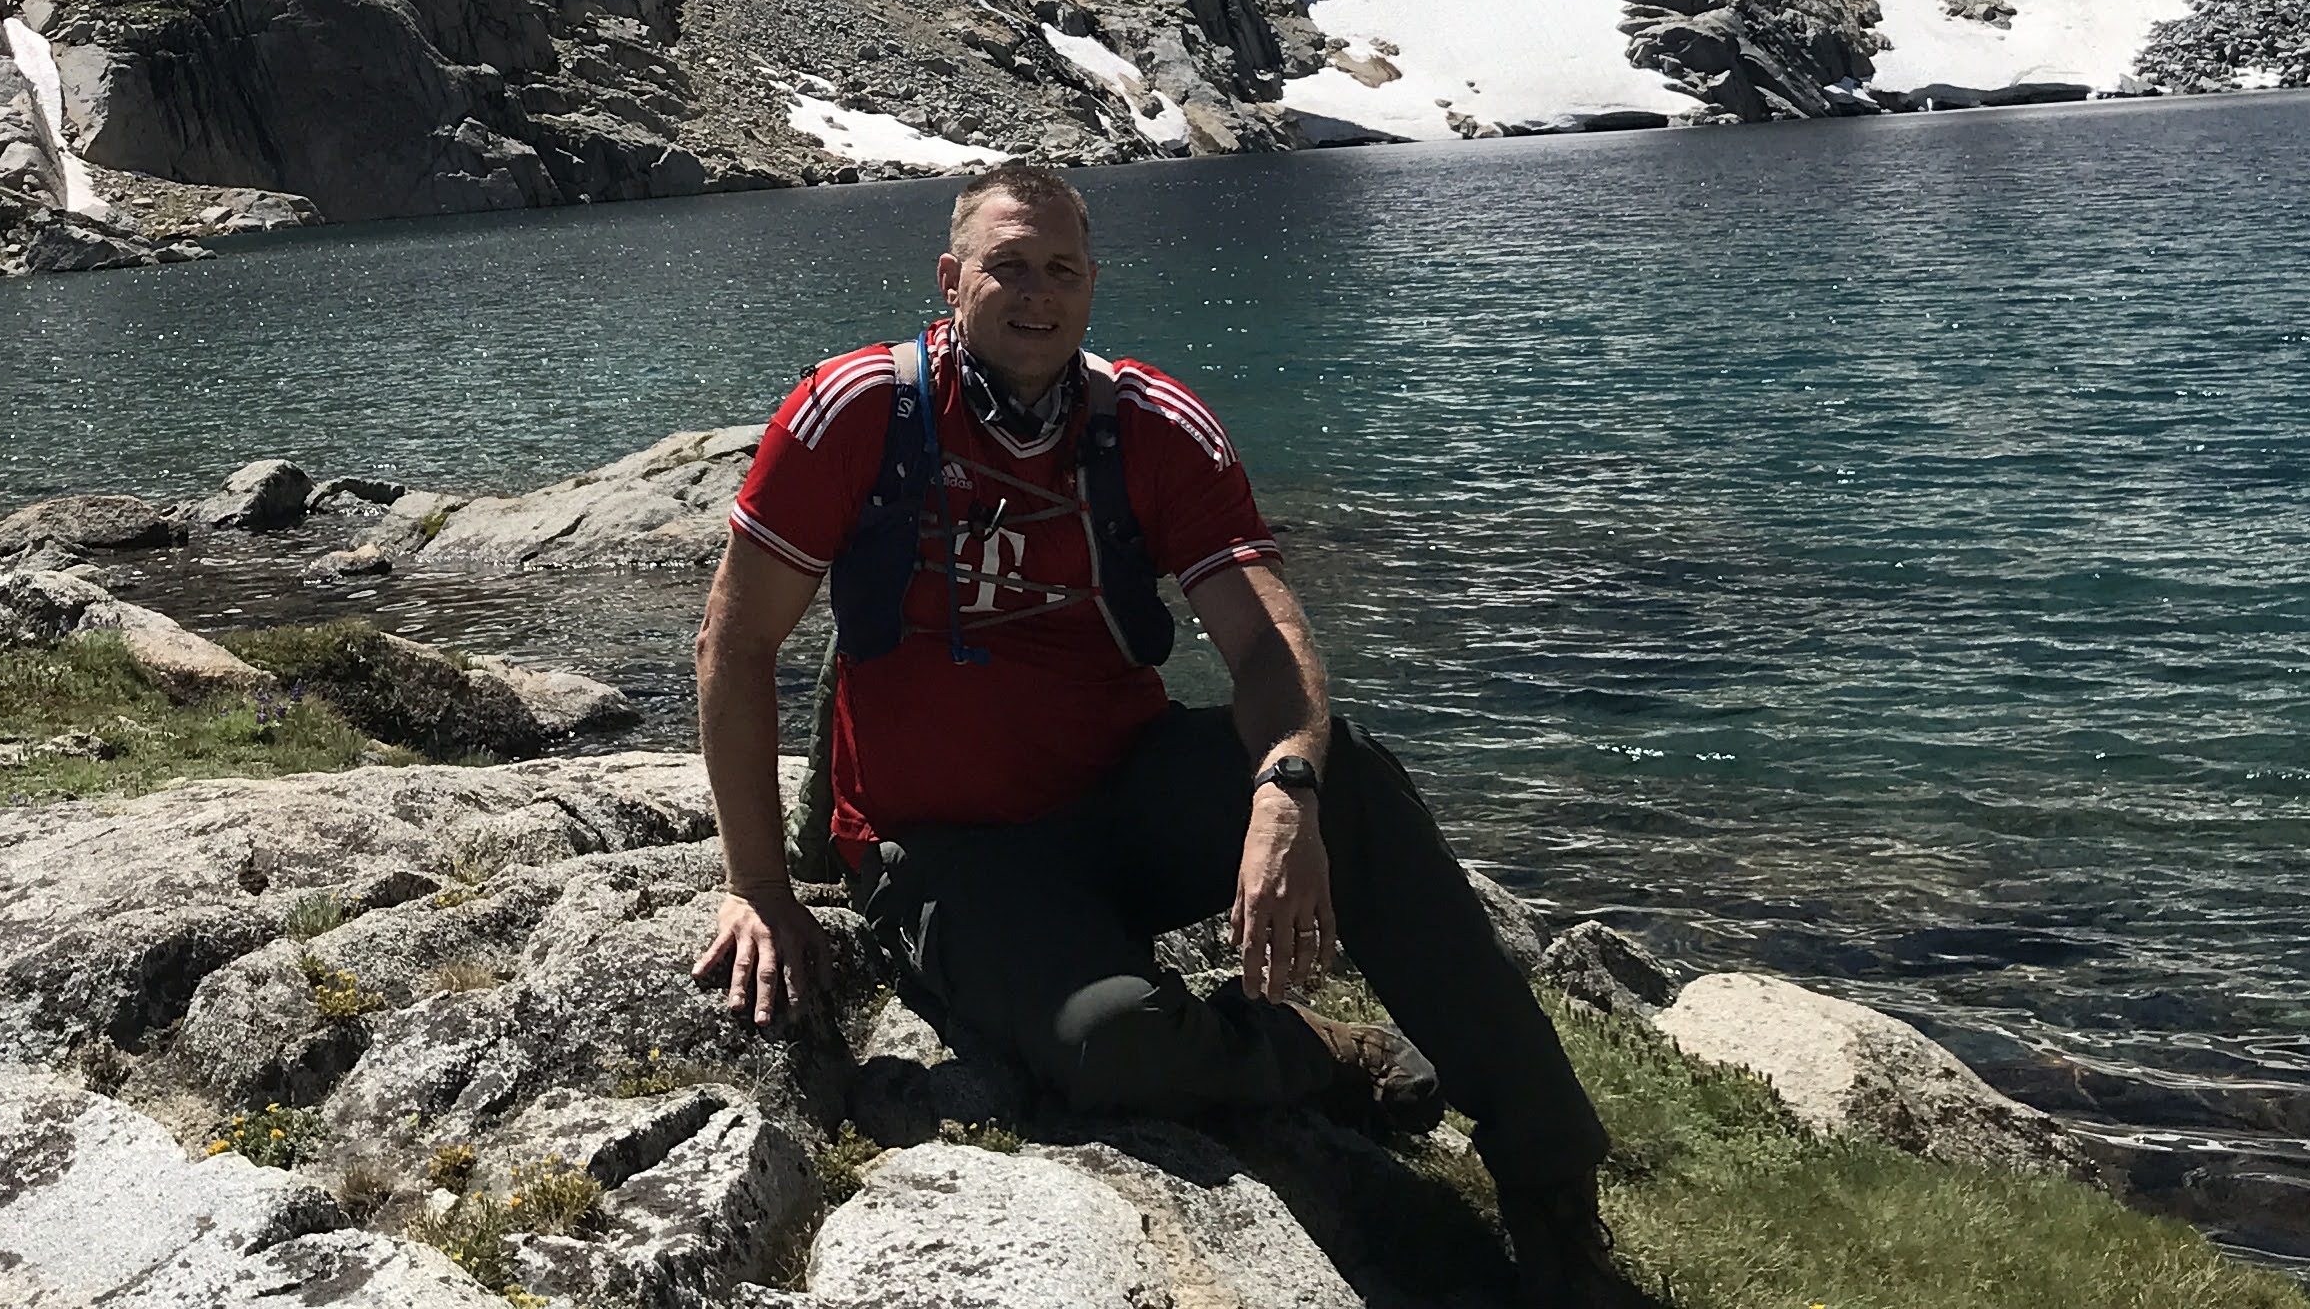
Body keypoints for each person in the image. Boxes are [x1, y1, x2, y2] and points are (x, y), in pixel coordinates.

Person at [689, 160, 1647, 1309]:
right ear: (950, 279)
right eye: (1007, 266)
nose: (1037, 294)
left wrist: (1285, 790)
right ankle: (1310, 1052)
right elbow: (736, 643)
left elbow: (1265, 645)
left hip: (1124, 799)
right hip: (950, 851)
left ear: (1092, 284)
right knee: (1111, 1043)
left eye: (1062, 269)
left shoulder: (1147, 425)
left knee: (1350, 781)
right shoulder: (858, 413)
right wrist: (758, 885)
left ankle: (1551, 1192)